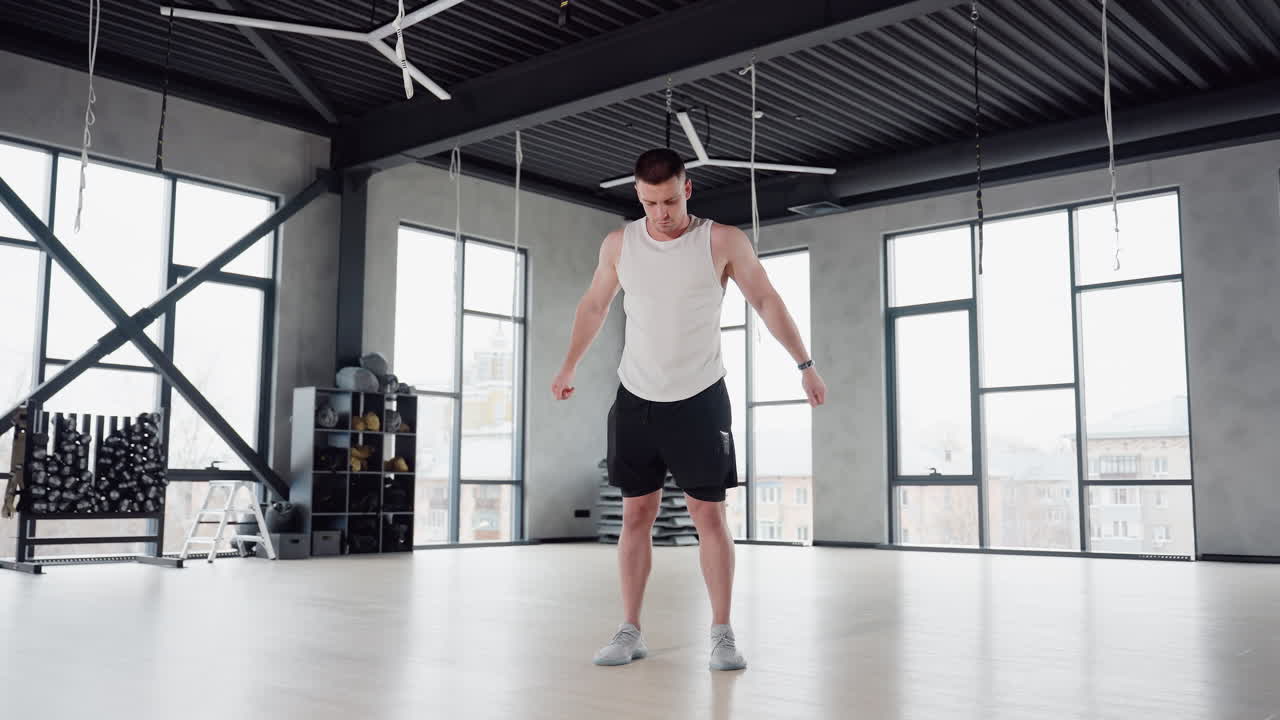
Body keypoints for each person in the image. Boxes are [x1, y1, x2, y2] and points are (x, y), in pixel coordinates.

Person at [551, 148, 827, 671]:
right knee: (636, 514)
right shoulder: (619, 244)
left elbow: (767, 301)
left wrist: (805, 364)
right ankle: (629, 629)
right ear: (638, 196)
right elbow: (594, 306)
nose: (662, 213)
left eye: (671, 200)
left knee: (709, 516)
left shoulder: (721, 240)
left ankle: (722, 633)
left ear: (689, 190)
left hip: (700, 399)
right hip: (636, 399)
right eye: (651, 202)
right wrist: (568, 367)